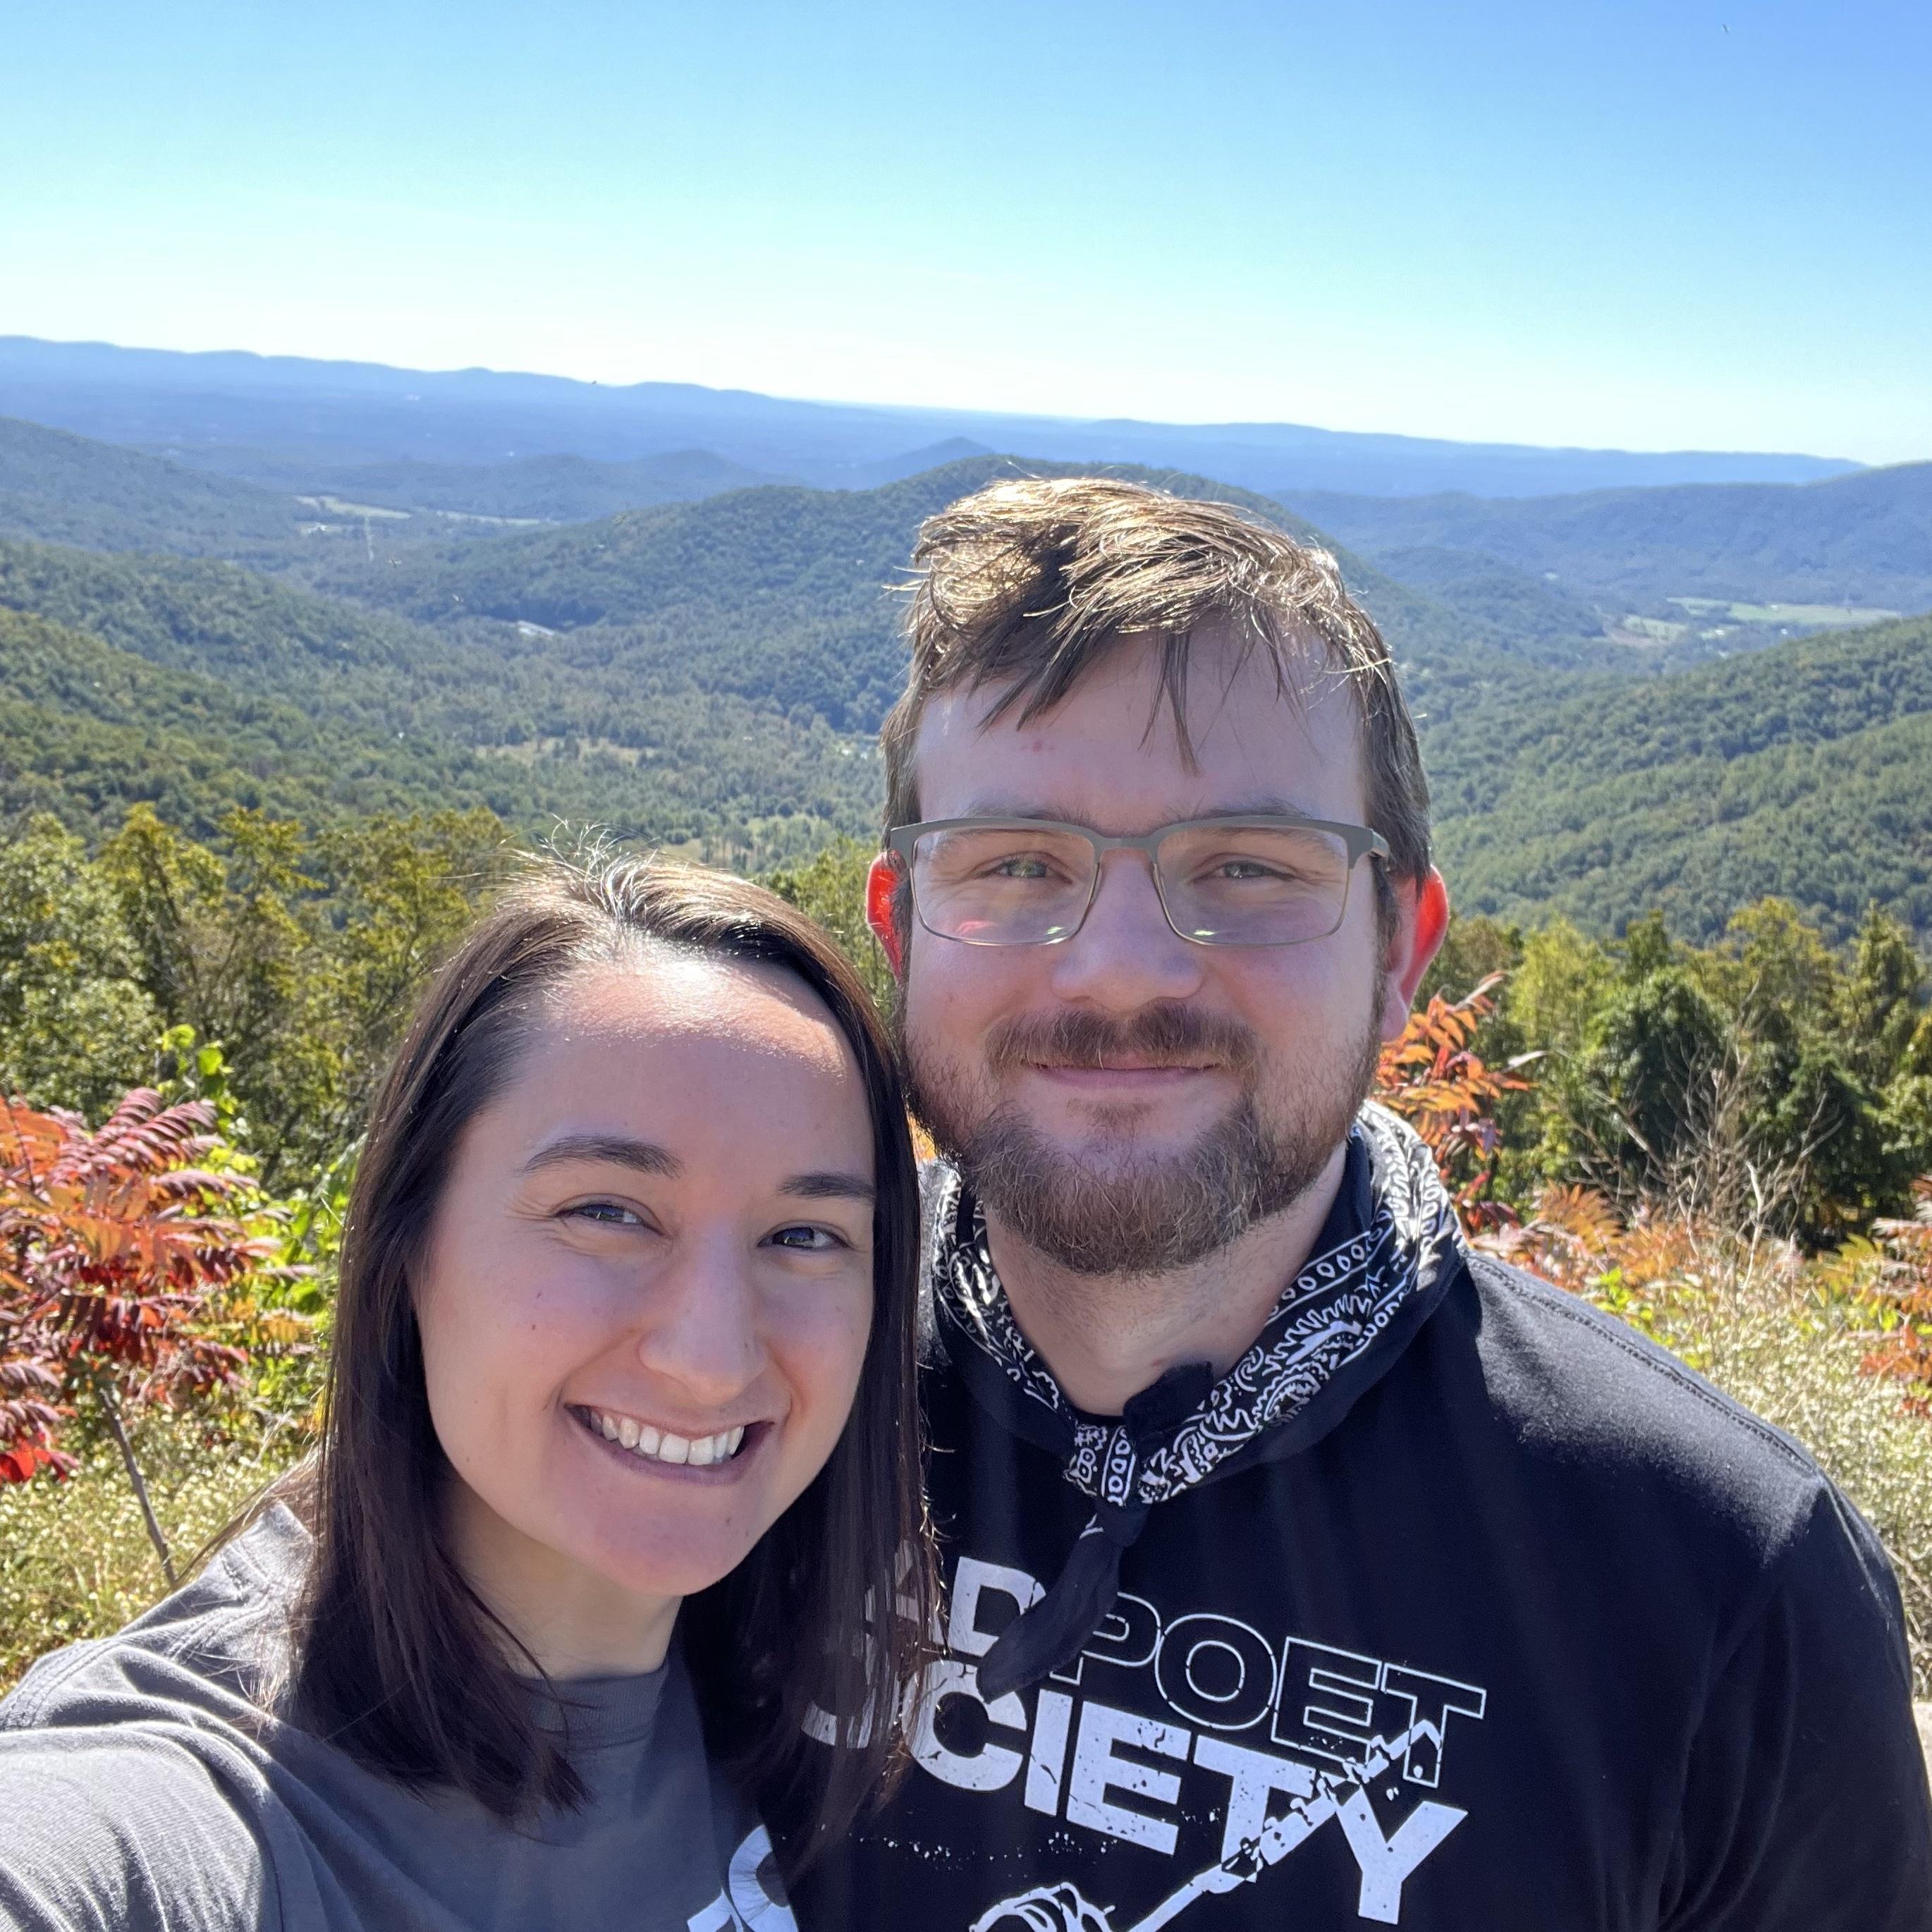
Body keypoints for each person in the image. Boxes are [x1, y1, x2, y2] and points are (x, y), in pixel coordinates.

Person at [781, 479, 1932, 1931]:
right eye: (1016, 863)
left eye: (1244, 867)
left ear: (1400, 948)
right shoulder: (720, 1391)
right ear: (900, 925)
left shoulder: (1717, 1579)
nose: (1116, 968)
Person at [0, 855, 934, 1931]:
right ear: (409, 1252)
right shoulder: (195, 1811)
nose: (712, 1356)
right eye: (608, 1212)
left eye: (804, 1235)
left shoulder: (785, 1705)